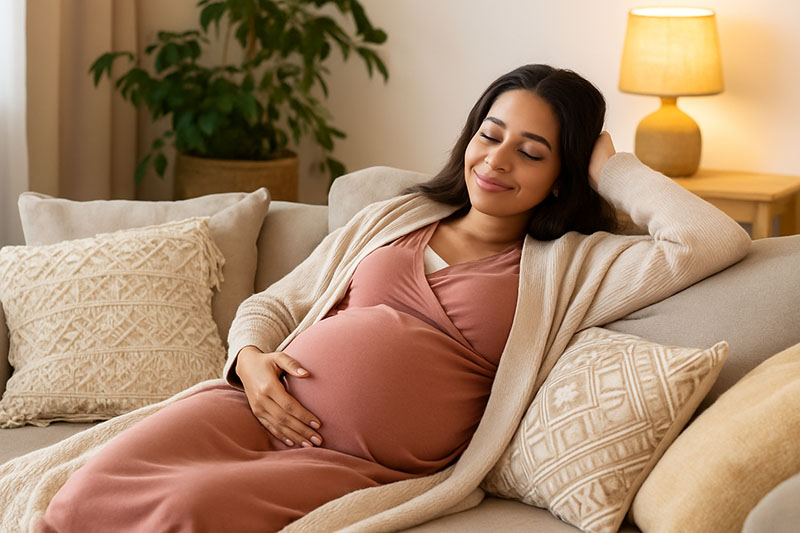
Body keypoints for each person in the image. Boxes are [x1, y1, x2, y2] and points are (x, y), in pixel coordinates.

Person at [38, 64, 750, 532]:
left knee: (185, 513)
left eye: (532, 152)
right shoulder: (394, 216)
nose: (496, 161)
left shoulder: (573, 265)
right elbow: (277, 303)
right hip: (246, 408)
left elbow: (709, 240)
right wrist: (251, 362)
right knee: (85, 490)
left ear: (566, 176)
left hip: (353, 459)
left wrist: (613, 164)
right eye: (489, 134)